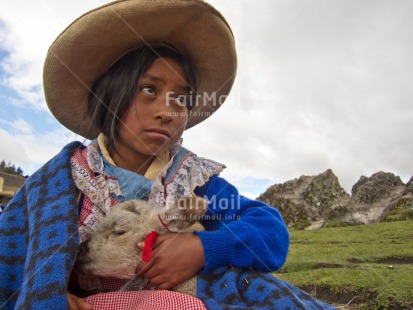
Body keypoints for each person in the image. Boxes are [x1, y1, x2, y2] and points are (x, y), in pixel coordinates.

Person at [0, 1, 335, 309]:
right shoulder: (62, 181)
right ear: (110, 95)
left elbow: (270, 232)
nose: (167, 111)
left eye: (180, 98)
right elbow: (11, 259)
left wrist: (201, 250)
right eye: (149, 90)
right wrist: (60, 295)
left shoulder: (195, 183)